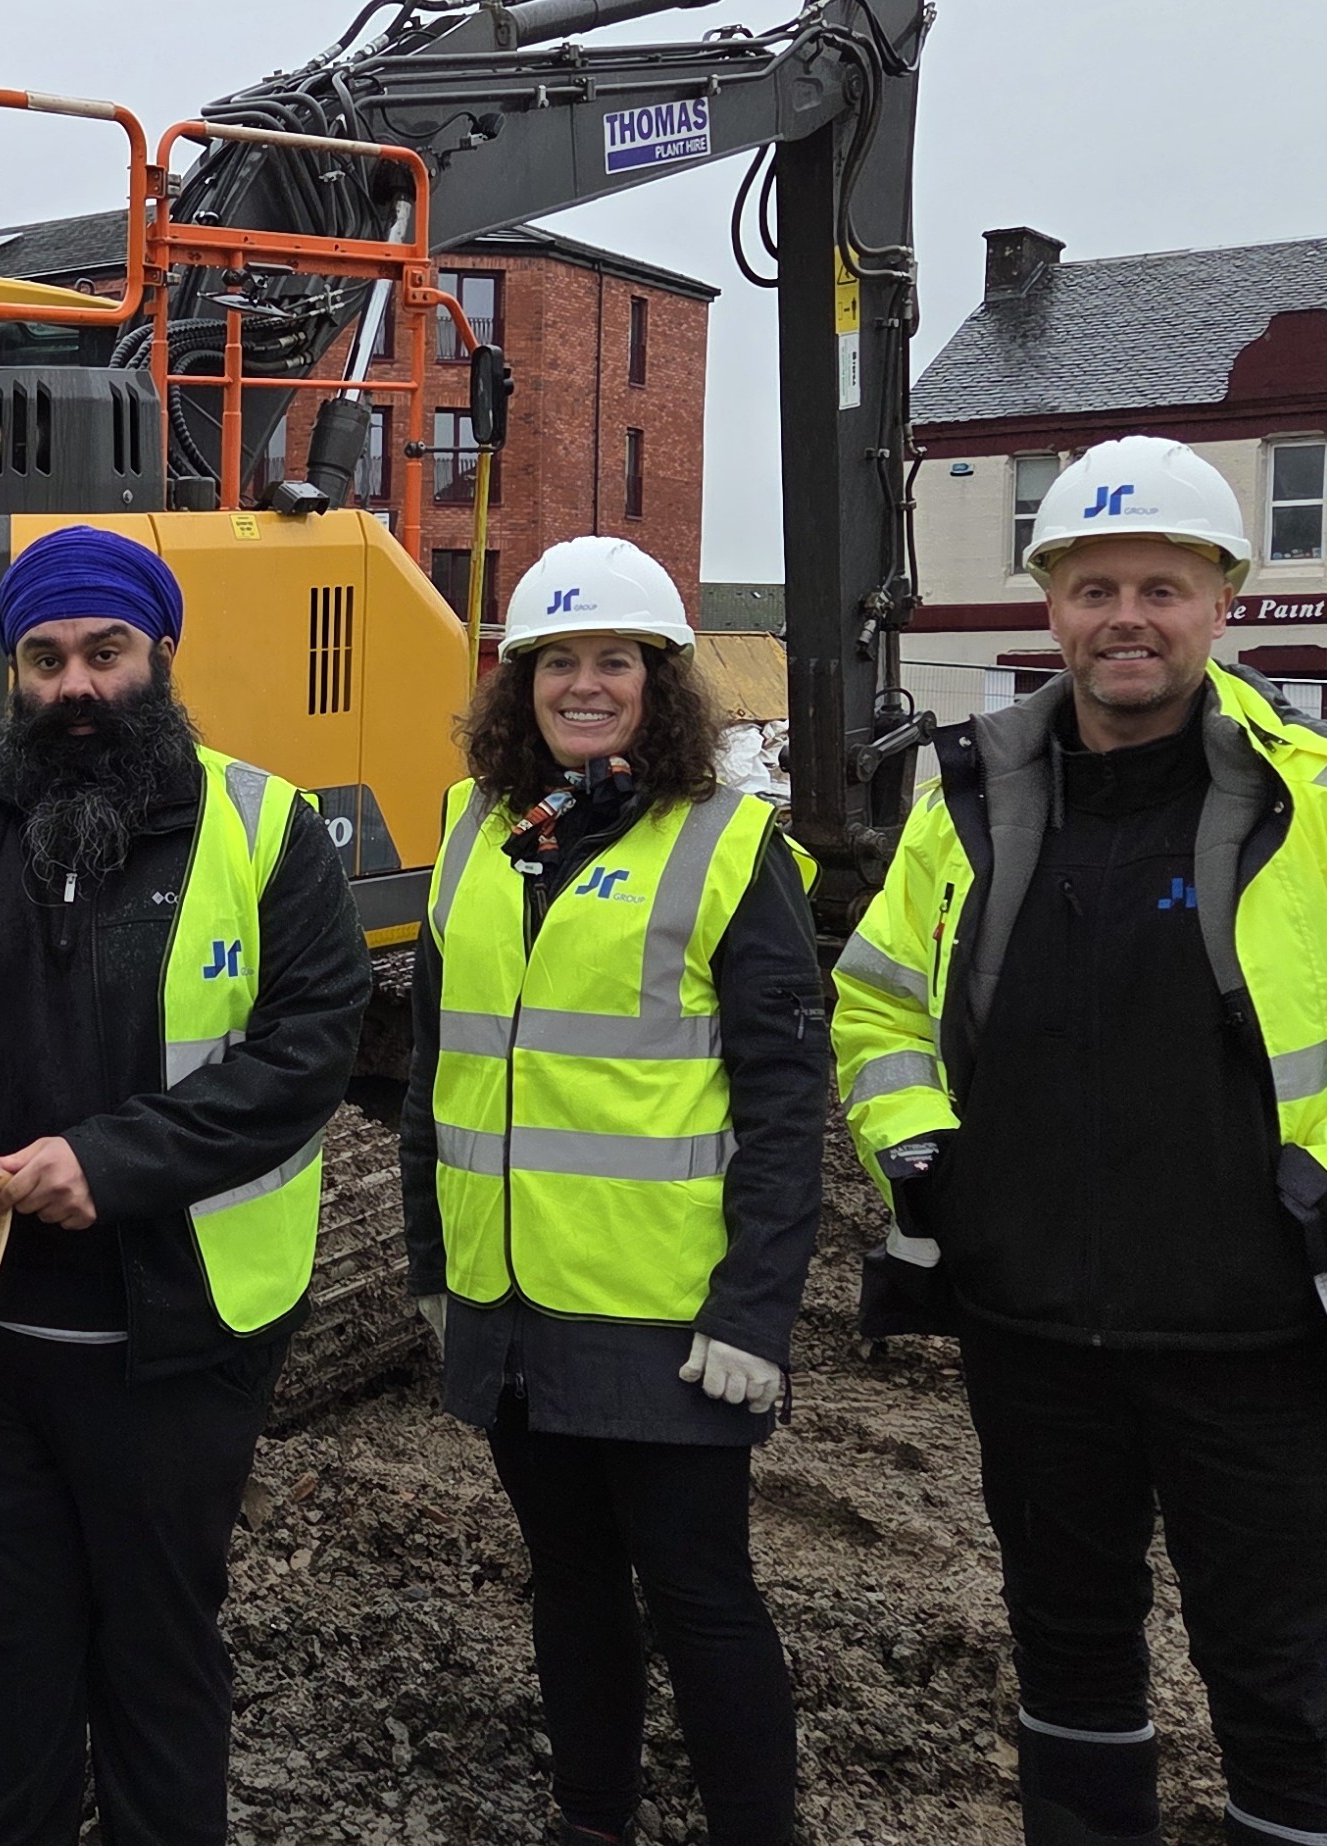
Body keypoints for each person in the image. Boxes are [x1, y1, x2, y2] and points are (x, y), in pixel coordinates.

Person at [834, 435, 1327, 1846]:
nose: (1123, 616)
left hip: (1258, 1352)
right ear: (1048, 606)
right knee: (1063, 1656)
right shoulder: (970, 802)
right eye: (1092, 584)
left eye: (1159, 585)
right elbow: (872, 1008)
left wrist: (1324, 1189)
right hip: (1028, 1334)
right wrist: (926, 1156)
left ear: (1222, 600)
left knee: (1278, 1689)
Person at [0, 524, 370, 1846]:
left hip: (170, 1341)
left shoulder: (264, 827)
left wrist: (112, 1163)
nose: (75, 685)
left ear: (158, 656)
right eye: (45, 656)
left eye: (104, 652)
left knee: (156, 1651)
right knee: (4, 1649)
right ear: (13, 670)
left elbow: (308, 1044)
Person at [399, 536, 827, 1846]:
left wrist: (753, 1311)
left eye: (615, 662)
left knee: (697, 1592)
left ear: (660, 679)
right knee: (569, 1583)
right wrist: (429, 1264)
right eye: (557, 661)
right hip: (512, 1300)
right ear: (518, 680)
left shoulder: (723, 843)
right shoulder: (477, 833)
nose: (584, 685)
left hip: (662, 1316)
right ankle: (592, 1818)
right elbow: (434, 1066)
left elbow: (781, 1101)